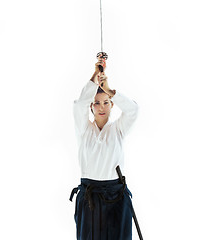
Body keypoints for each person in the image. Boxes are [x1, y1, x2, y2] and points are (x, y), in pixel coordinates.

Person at [70, 56, 139, 240]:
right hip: (89, 198)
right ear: (91, 106)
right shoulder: (84, 130)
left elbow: (133, 110)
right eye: (97, 102)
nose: (102, 107)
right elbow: (79, 106)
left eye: (106, 102)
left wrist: (109, 89)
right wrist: (95, 76)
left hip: (116, 197)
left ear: (112, 104)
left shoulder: (118, 129)